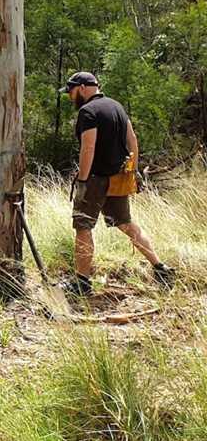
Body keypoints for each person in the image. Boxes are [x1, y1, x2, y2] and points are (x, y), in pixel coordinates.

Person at [60, 72, 175, 296]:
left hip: (95, 180)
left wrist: (83, 179)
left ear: (82, 88)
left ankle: (81, 283)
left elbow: (88, 147)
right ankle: (161, 268)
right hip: (117, 178)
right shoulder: (116, 107)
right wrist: (131, 170)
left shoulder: (88, 112)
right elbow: (133, 140)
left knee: (83, 227)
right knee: (125, 224)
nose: (70, 98)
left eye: (71, 92)